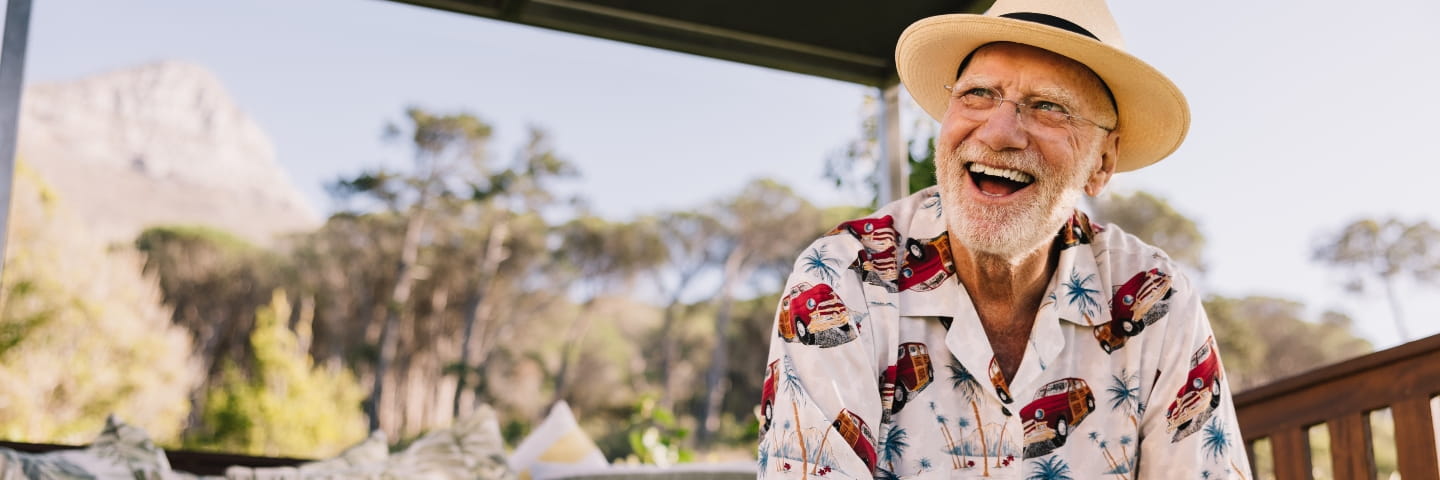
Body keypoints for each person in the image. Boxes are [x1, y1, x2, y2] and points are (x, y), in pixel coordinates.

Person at [756, 0, 1251, 478]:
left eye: (1049, 107)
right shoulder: (843, 277)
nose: (998, 132)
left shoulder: (1156, 296)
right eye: (978, 94)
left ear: (1102, 163)